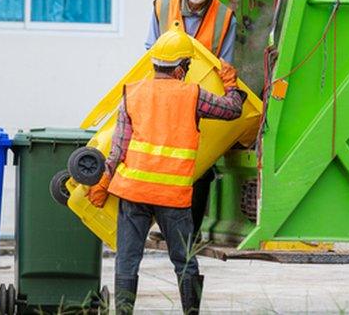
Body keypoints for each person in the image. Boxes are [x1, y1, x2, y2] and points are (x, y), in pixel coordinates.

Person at [87, 26, 245, 314]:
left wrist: (104, 180)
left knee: (127, 258)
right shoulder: (193, 95)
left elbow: (118, 148)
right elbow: (233, 110)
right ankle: (190, 312)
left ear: (156, 64)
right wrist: (230, 83)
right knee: (183, 259)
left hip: (133, 192)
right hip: (173, 196)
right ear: (181, 68)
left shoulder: (132, 94)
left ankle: (123, 312)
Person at [145, 0, 237, 238]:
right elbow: (149, 52)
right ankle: (161, 224)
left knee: (198, 166)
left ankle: (188, 232)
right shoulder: (162, 7)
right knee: (157, 159)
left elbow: (225, 64)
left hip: (198, 99)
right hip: (163, 94)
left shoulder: (224, 18)